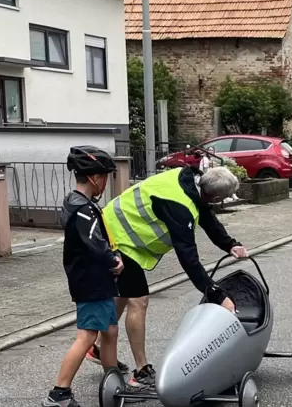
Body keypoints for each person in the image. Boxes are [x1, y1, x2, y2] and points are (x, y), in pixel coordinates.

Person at [93, 165, 249, 394]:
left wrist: (230, 244)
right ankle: (141, 371)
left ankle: (98, 348)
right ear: (215, 196)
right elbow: (189, 260)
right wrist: (216, 294)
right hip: (117, 237)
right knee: (139, 300)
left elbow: (206, 215)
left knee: (124, 294)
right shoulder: (179, 207)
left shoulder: (193, 179)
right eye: (223, 199)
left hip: (118, 230)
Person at [43, 146, 123, 407]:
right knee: (87, 336)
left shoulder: (80, 203)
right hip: (91, 281)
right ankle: (59, 393)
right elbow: (95, 243)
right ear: (94, 177)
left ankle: (114, 386)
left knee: (110, 330)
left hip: (97, 279)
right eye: (105, 176)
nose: (106, 181)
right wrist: (113, 260)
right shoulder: (82, 209)